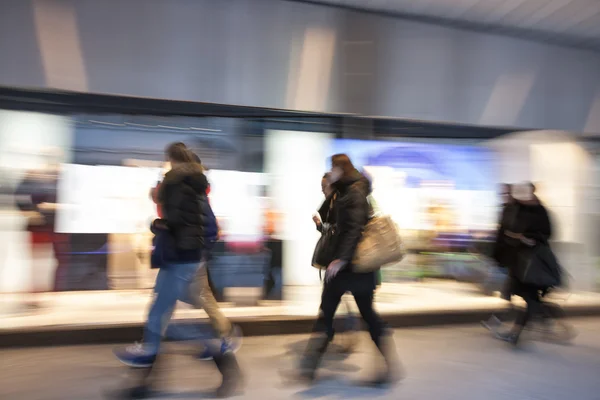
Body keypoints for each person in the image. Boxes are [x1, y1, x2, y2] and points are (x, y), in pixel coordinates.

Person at [115, 143, 242, 397]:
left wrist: (158, 225)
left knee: (161, 318)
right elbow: (202, 224)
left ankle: (218, 350)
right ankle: (143, 383)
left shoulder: (177, 184)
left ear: (172, 159)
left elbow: (183, 224)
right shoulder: (195, 186)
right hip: (184, 257)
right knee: (158, 315)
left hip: (180, 258)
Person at [293, 154, 400, 386]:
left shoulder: (355, 192)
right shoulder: (344, 191)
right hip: (347, 268)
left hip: (353, 268)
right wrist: (331, 190)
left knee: (362, 317)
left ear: (341, 168)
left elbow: (353, 229)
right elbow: (329, 218)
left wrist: (341, 259)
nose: (330, 172)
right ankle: (309, 368)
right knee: (333, 314)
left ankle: (309, 369)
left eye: (332, 169)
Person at [495, 182, 552, 345]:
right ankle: (541, 316)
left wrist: (530, 239)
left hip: (534, 262)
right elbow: (507, 231)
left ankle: (516, 332)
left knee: (529, 297)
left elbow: (547, 233)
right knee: (522, 295)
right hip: (519, 261)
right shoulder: (518, 209)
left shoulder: (540, 211)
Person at [481, 183, 517, 331]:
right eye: (502, 194)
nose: (504, 197)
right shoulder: (506, 210)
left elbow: (507, 236)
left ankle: (504, 323)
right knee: (509, 293)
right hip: (508, 259)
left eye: (506, 194)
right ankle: (498, 320)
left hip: (514, 260)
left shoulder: (516, 211)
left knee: (516, 294)